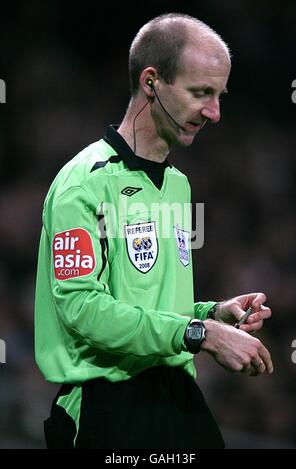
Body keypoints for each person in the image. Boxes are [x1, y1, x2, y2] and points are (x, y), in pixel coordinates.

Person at [35, 13, 273, 449]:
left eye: (220, 95)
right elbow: (83, 309)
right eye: (201, 93)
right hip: (106, 407)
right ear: (151, 82)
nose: (215, 113)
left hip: (177, 399)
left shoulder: (177, 185)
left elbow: (153, 307)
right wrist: (199, 335)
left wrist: (209, 314)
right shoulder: (84, 183)